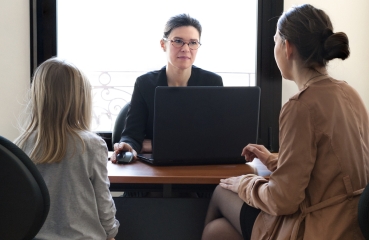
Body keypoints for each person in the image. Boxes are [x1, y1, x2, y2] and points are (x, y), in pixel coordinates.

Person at [202, 4, 369, 240]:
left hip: (318, 228)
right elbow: (329, 163)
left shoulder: (300, 105)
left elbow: (283, 200)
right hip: (351, 225)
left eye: (274, 41)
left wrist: (245, 184)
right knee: (216, 231)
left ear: (287, 47)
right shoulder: (349, 93)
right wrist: (272, 159)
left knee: (221, 191)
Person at [15, 58, 120, 240]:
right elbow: (103, 202)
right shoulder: (92, 145)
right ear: (81, 100)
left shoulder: (20, 145)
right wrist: (111, 233)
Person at [111, 13, 223, 162]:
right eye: (178, 41)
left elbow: (214, 139)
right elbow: (132, 135)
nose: (185, 48)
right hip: (155, 167)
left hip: (199, 165)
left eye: (193, 43)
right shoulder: (145, 84)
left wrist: (155, 145)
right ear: (163, 44)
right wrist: (128, 145)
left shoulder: (212, 82)